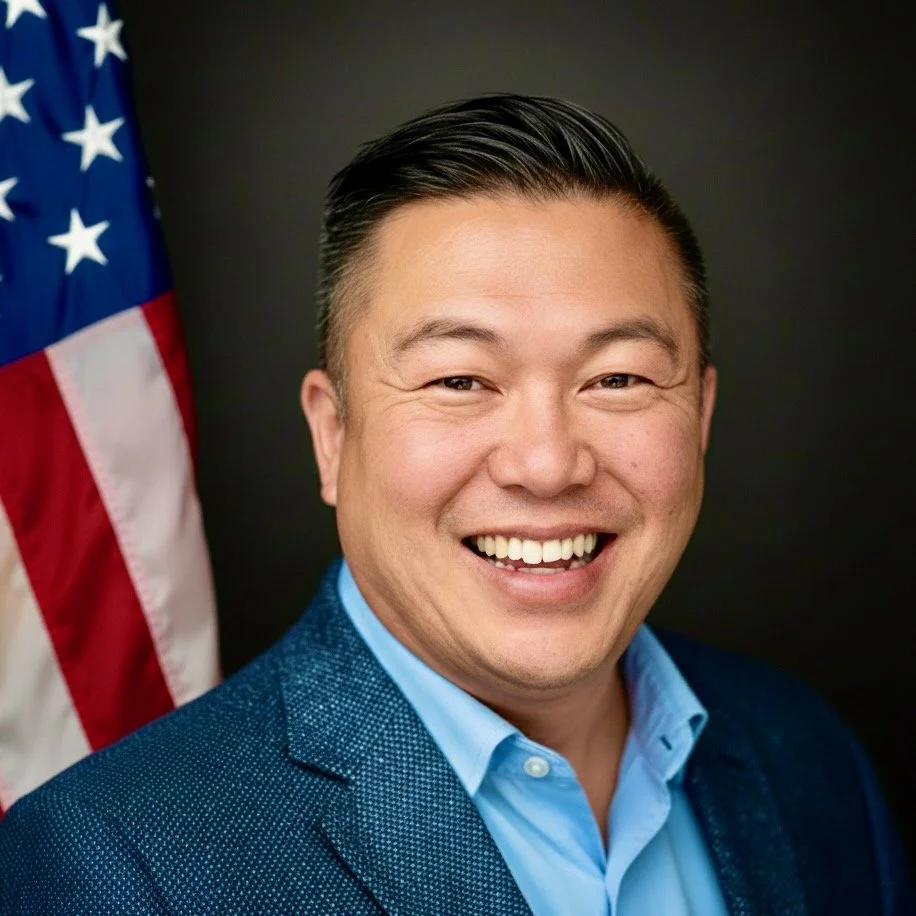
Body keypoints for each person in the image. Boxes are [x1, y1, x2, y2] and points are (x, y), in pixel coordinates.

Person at [0, 94, 911, 915]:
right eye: (461, 378)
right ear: (332, 433)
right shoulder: (114, 869)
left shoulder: (807, 759)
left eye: (619, 377)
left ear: (701, 415)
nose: (548, 464)